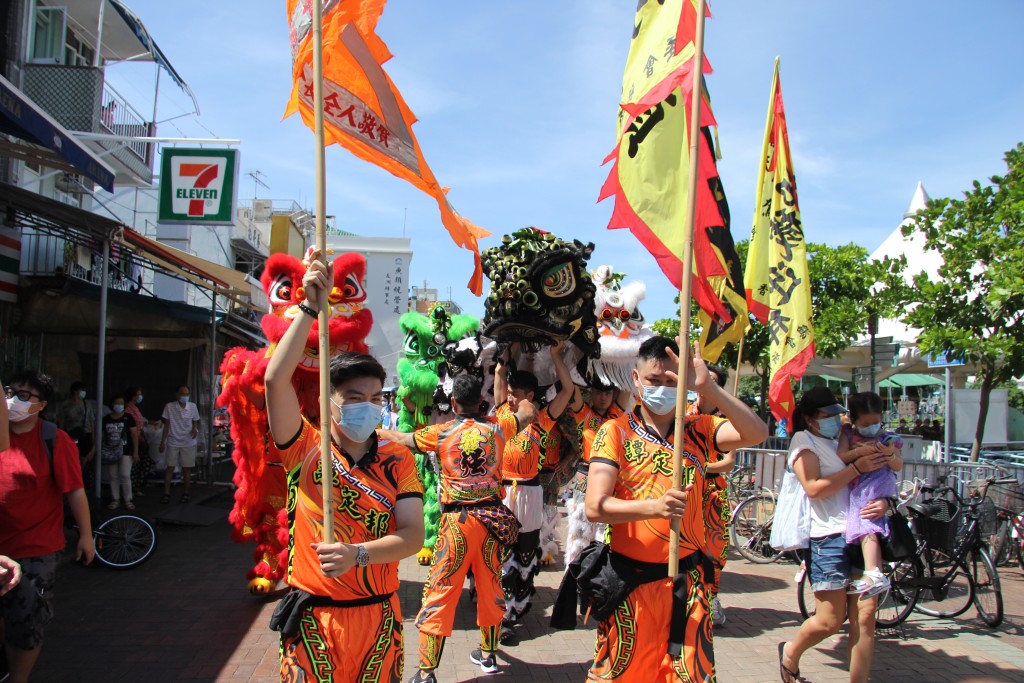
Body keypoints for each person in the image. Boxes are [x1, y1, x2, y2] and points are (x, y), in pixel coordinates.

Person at [265, 250, 424, 681]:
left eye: (376, 399)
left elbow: (412, 535)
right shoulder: (303, 448)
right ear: (325, 401)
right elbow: (275, 380)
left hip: (379, 619)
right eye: (354, 398)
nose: (368, 409)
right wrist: (307, 306)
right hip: (314, 621)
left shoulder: (398, 459)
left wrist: (359, 555)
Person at [585, 337, 768, 681]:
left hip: (688, 584)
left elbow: (756, 432)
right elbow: (596, 506)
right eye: (655, 380)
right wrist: (654, 507)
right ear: (637, 380)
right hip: (631, 585)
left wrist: (709, 389)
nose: (663, 389)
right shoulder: (616, 432)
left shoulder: (698, 431)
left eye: (673, 382)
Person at [380, 374, 536, 681]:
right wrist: (521, 399)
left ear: (453, 403)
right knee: (491, 587)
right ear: (482, 401)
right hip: (492, 521)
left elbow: (403, 439)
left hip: (457, 524)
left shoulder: (440, 433)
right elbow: (529, 413)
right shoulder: (497, 426)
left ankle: (426, 673)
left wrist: (374, 430)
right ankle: (489, 656)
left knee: (440, 590)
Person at [778, 386, 891, 683]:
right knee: (829, 621)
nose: (835, 419)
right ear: (810, 418)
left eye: (837, 413)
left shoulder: (845, 437)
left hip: (862, 533)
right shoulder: (804, 441)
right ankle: (790, 651)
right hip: (827, 538)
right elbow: (814, 488)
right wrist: (855, 467)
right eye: (827, 415)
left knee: (865, 619)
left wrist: (886, 501)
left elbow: (880, 477)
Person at [0, 370, 95, 683]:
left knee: (27, 616)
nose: (13, 400)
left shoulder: (54, 439)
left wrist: (85, 536)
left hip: (36, 547)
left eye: (24, 396)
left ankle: (18, 677)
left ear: (41, 405)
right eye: (11, 391)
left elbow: (74, 490)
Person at [493, 344, 574, 644]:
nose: (509, 397)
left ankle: (515, 607)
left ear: (529, 396)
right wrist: (511, 348)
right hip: (500, 492)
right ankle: (497, 609)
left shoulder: (543, 418)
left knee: (524, 552)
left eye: (515, 394)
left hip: (529, 493)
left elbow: (567, 389)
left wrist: (555, 355)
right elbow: (501, 371)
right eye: (509, 392)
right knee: (499, 551)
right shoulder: (502, 410)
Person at [837, 391, 904, 597]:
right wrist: (859, 453)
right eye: (866, 423)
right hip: (860, 486)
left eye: (876, 422)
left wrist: (889, 454)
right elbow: (842, 455)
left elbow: (898, 465)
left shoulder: (887, 438)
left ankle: (873, 572)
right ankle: (873, 571)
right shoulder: (847, 434)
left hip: (877, 485)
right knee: (864, 525)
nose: (872, 427)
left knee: (868, 524)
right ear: (854, 419)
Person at [562, 379, 630, 569]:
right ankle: (573, 571)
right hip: (586, 472)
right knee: (580, 525)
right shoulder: (584, 414)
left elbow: (627, 386)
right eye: (599, 393)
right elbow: (572, 385)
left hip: (612, 475)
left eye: (608, 393)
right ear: (591, 393)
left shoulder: (616, 414)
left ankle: (600, 572)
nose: (603, 397)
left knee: (605, 526)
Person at [696, 363, 736, 627]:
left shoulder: (727, 421)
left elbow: (728, 462)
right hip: (688, 493)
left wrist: (696, 465)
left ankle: (711, 599)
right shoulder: (682, 414)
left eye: (711, 381)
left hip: (713, 496)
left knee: (714, 553)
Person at [159, 385, 200, 504]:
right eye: (182, 394)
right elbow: (166, 425)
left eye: (187, 394)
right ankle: (166, 493)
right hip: (173, 441)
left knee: (186, 469)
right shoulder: (169, 407)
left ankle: (186, 493)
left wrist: (195, 429)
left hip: (188, 442)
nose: (185, 397)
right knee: (170, 468)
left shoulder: (193, 407)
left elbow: (195, 422)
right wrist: (162, 442)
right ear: (177, 394)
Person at [101, 396, 139, 510]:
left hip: (126, 450)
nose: (119, 405)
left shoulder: (128, 418)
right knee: (113, 475)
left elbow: (134, 435)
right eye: (117, 403)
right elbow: (102, 435)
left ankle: (128, 499)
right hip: (110, 450)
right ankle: (115, 499)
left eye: (122, 403)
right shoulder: (106, 419)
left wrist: (135, 451)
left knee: (125, 475)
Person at [55, 381, 94, 466]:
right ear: (75, 391)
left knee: (84, 458)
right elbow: (61, 420)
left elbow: (91, 421)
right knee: (72, 456)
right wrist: (61, 436)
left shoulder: (87, 404)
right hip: (71, 434)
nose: (84, 392)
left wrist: (93, 437)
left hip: (85, 434)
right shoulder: (66, 405)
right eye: (82, 390)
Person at [124, 387, 152, 495]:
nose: (140, 397)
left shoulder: (135, 408)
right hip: (134, 441)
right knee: (134, 466)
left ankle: (136, 487)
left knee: (143, 464)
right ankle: (132, 488)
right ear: (133, 396)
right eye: (138, 394)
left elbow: (141, 422)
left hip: (140, 439)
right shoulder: (128, 409)